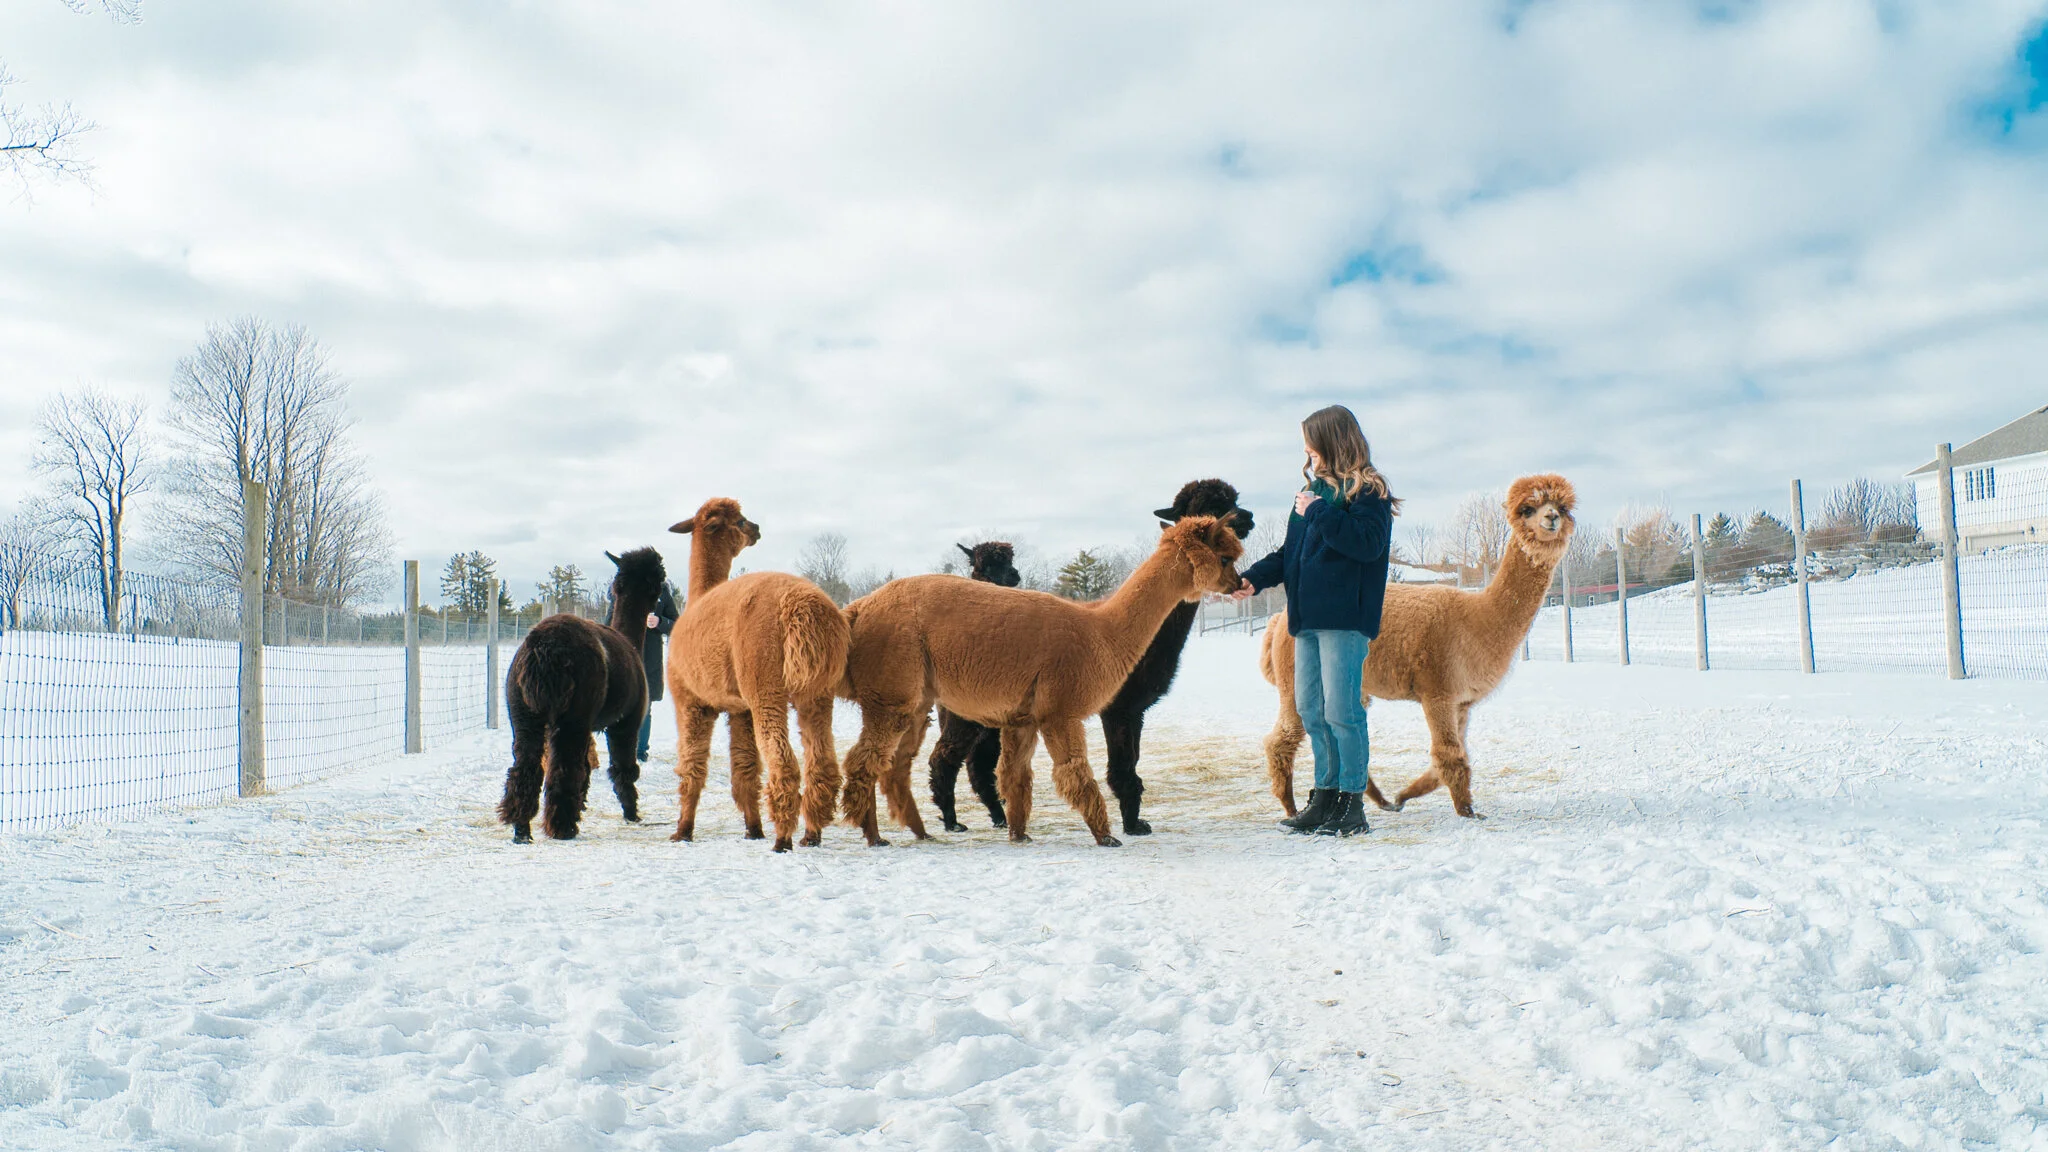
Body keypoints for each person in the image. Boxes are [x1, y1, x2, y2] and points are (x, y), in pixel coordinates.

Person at [1232, 404, 1398, 836]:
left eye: (1311, 440)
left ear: (1332, 440)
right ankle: (1325, 798)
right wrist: (1253, 579)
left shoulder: (1369, 492)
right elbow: (1290, 554)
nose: (1306, 450)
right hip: (1305, 619)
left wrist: (1318, 513)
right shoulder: (1313, 494)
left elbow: (1366, 544)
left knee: (1343, 710)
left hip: (1344, 620)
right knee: (1311, 709)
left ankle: (1351, 804)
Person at [638, 579, 681, 763]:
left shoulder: (663, 593)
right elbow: (609, 622)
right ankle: (623, 748)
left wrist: (660, 622)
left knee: (645, 706)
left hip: (650, 659)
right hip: (625, 655)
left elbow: (677, 624)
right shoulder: (625, 589)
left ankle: (640, 751)